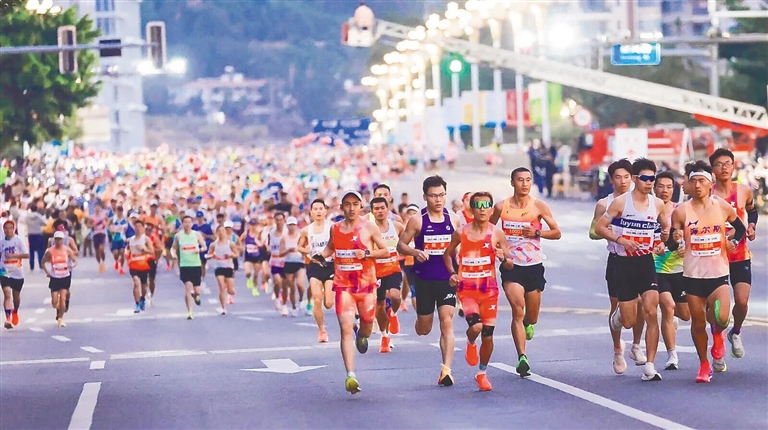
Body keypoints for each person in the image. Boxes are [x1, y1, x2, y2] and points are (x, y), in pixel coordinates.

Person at [666, 161, 745, 382]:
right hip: (693, 276)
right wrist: (676, 241)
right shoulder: (681, 211)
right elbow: (672, 243)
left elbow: (739, 228)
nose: (698, 185)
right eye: (694, 181)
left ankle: (718, 334)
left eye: (702, 181)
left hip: (718, 273)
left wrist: (733, 242)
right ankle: (703, 364)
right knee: (698, 322)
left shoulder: (722, 207)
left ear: (711, 183)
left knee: (722, 317)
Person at [595, 157, 670, 381]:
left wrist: (661, 242)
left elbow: (663, 227)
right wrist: (622, 240)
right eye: (645, 178)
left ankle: (650, 366)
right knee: (628, 321)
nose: (649, 183)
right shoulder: (620, 203)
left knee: (651, 311)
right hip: (623, 264)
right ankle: (620, 315)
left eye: (652, 179)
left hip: (646, 263)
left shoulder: (657, 204)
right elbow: (599, 228)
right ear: (636, 179)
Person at [315, 190, 389, 394]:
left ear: (361, 207)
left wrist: (367, 253)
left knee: (367, 324)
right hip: (344, 286)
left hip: (366, 287)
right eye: (347, 204)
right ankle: (350, 375)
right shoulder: (336, 228)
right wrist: (321, 256)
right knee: (345, 328)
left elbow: (385, 251)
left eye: (355, 204)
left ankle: (362, 335)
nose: (351, 208)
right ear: (341, 207)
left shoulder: (369, 227)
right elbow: (330, 248)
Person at [489, 167, 562, 377]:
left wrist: (537, 232)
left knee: (531, 315)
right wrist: (497, 250)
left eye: (528, 180)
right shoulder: (501, 207)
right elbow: (488, 231)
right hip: (511, 266)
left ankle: (530, 324)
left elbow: (557, 232)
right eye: (520, 180)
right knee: (517, 310)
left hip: (534, 266)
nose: (524, 184)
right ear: (512, 182)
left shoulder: (538, 206)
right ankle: (522, 357)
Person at [443, 191, 511, 391]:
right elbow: (447, 254)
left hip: (489, 290)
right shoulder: (461, 233)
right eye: (478, 206)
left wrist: (503, 257)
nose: (482, 210)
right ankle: (471, 341)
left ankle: (482, 373)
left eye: (486, 206)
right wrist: (452, 273)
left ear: (491, 210)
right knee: (477, 327)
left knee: (488, 334)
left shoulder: (497, 233)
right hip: (467, 290)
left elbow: (509, 264)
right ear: (472, 209)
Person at [397, 176, 460, 387]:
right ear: (425, 197)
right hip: (424, 279)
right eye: (433, 196)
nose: (438, 200)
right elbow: (401, 245)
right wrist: (415, 252)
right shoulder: (418, 220)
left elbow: (460, 248)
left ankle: (446, 370)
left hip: (446, 280)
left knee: (447, 321)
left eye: (441, 195)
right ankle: (420, 321)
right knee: (424, 329)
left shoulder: (453, 219)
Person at [589, 158, 647, 374]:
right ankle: (617, 350)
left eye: (626, 177)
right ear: (611, 179)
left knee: (642, 303)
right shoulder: (604, 204)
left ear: (632, 178)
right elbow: (594, 232)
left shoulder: (643, 201)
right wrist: (614, 232)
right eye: (617, 177)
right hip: (617, 259)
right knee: (617, 308)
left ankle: (636, 346)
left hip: (640, 258)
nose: (622, 181)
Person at [710, 148, 758, 359]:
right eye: (719, 164)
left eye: (727, 164)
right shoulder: (707, 193)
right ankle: (717, 338)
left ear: (733, 166)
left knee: (742, 301)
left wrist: (751, 226)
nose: (724, 168)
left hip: (739, 254)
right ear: (712, 169)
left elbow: (752, 211)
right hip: (714, 256)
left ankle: (735, 332)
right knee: (716, 307)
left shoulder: (744, 191)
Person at [652, 171, 691, 370]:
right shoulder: (648, 210)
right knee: (667, 306)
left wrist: (686, 247)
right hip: (656, 269)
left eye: (669, 187)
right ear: (654, 188)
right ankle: (672, 355)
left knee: (685, 315)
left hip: (679, 269)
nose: (665, 191)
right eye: (661, 186)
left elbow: (691, 235)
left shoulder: (680, 210)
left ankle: (675, 317)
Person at [370, 196, 404, 353]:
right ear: (372, 211)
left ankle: (394, 314)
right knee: (380, 306)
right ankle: (384, 336)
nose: (380, 211)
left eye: (382, 208)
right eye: (376, 209)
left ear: (387, 209)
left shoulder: (396, 226)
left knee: (396, 296)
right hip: (376, 272)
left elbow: (406, 242)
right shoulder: (369, 230)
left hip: (393, 268)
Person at [298, 199, 334, 343]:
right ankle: (322, 331)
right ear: (311, 213)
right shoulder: (306, 230)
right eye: (315, 209)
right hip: (314, 266)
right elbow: (299, 246)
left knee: (329, 304)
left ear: (325, 211)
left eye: (321, 208)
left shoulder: (332, 227)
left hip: (329, 264)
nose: (318, 211)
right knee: (317, 299)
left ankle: (327, 292)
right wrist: (305, 250)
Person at [170, 215, 207, 320]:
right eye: (185, 222)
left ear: (192, 223)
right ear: (182, 224)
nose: (187, 224)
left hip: (196, 265)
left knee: (197, 290)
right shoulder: (178, 236)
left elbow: (204, 247)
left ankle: (195, 295)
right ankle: (190, 311)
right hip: (184, 265)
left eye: (189, 222)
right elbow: (173, 248)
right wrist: (173, 254)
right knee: (187, 287)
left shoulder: (196, 234)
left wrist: (199, 250)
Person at [41, 231, 77, 327]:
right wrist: (47, 272)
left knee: (63, 299)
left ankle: (61, 318)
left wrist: (72, 266)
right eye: (56, 239)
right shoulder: (50, 251)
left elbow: (74, 260)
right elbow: (43, 262)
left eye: (60, 239)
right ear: (54, 240)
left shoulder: (67, 250)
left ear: (62, 240)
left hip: (65, 276)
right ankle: (58, 309)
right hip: (55, 277)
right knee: (55, 301)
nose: (58, 241)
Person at [1, 220, 29, 329]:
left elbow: (26, 255)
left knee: (16, 297)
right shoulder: (1, 242)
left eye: (10, 228)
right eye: (6, 228)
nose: (8, 230)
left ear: (14, 229)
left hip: (17, 272)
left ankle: (15, 311)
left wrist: (13, 256)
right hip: (4, 271)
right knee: (7, 294)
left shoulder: (18, 240)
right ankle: (8, 318)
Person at [206, 225, 237, 315]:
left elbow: (236, 254)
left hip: (228, 267)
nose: (221, 233)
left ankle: (229, 291)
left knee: (231, 291)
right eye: (219, 231)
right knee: (221, 288)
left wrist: (230, 255)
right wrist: (212, 256)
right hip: (218, 267)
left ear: (225, 232)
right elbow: (207, 255)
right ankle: (223, 307)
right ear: (216, 233)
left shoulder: (230, 244)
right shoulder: (213, 244)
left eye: (223, 231)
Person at [279, 216, 305, 317]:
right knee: (292, 287)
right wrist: (288, 250)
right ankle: (294, 307)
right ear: (287, 226)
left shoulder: (300, 236)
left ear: (296, 226)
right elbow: (280, 253)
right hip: (289, 262)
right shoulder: (284, 238)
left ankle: (301, 299)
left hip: (300, 262)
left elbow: (306, 248)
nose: (292, 227)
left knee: (300, 284)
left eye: (293, 225)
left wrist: (302, 252)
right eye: (290, 225)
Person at [127, 220, 154, 313]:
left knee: (144, 285)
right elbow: (127, 250)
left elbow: (152, 251)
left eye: (139, 226)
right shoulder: (130, 240)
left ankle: (142, 298)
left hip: (143, 264)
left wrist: (143, 249)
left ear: (143, 228)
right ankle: (137, 304)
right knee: (136, 283)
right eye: (136, 226)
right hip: (133, 264)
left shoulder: (146, 239)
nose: (137, 228)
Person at [241, 218, 265, 297]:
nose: (253, 227)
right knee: (248, 272)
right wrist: (241, 247)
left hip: (258, 256)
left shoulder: (259, 233)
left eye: (254, 225)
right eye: (251, 225)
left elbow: (262, 244)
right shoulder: (246, 233)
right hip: (248, 256)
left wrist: (258, 241)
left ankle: (255, 288)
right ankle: (248, 279)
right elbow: (240, 240)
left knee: (255, 274)